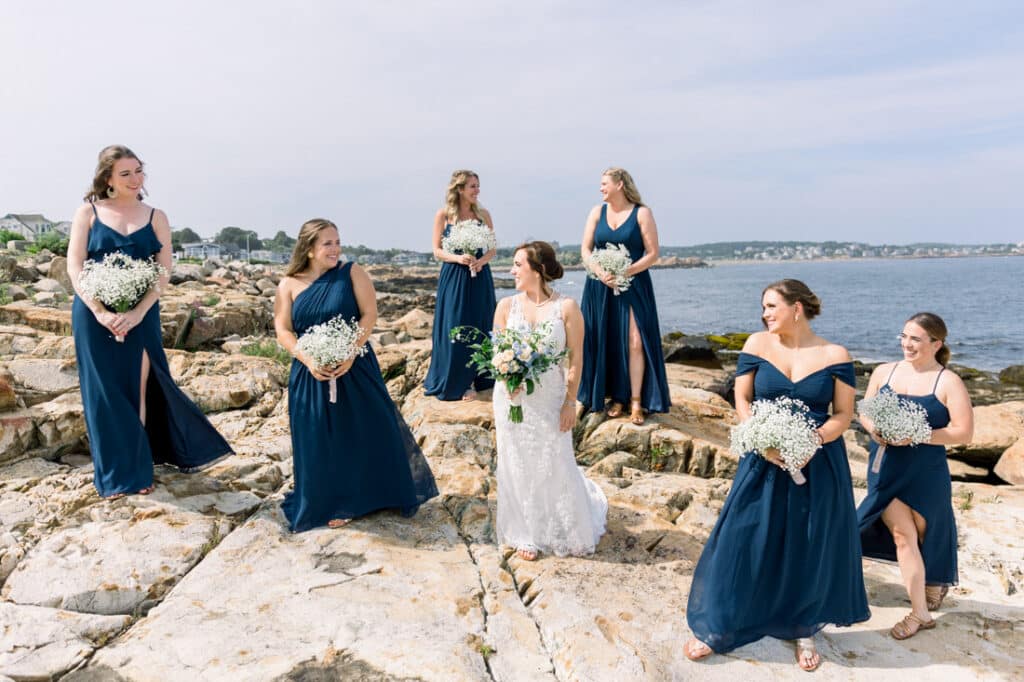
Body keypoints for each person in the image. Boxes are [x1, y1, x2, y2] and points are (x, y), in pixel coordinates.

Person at [684, 279, 869, 672]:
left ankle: (803, 628)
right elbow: (742, 398)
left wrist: (811, 441)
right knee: (743, 534)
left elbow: (843, 415)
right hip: (761, 457)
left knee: (808, 540)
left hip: (818, 462)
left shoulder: (835, 354)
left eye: (771, 306)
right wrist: (761, 439)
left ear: (796, 307)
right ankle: (719, 624)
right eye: (763, 307)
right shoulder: (757, 344)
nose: (764, 313)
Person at [67, 145, 233, 498]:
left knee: (139, 387)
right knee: (103, 394)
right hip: (93, 315)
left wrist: (138, 312)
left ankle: (137, 470)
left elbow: (164, 270)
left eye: (139, 171)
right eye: (125, 173)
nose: (135, 179)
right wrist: (100, 311)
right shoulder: (88, 213)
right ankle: (113, 476)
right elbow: (74, 265)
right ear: (108, 179)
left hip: (142, 315)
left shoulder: (156, 216)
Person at [273, 218, 438, 532]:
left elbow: (369, 314)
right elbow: (283, 329)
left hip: (355, 367)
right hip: (310, 372)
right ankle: (328, 499)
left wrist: (350, 351)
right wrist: (308, 359)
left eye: (337, 242)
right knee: (317, 435)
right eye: (327, 243)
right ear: (309, 248)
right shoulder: (288, 285)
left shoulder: (352, 273)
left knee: (364, 430)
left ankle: (360, 498)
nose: (335, 249)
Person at [857, 313, 973, 640]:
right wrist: (875, 430)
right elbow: (864, 410)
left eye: (916, 339)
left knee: (927, 531)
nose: (907, 344)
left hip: (927, 472)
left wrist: (916, 435)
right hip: (886, 468)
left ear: (936, 344)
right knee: (901, 536)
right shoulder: (884, 371)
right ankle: (920, 612)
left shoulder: (948, 382)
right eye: (904, 336)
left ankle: (934, 581)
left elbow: (963, 432)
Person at [492, 241, 607, 561]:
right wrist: (507, 379)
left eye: (518, 265)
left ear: (538, 270)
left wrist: (570, 402)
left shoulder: (566, 308)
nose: (512, 271)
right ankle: (525, 532)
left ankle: (562, 525)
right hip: (512, 398)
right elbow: (498, 354)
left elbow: (576, 358)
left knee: (554, 460)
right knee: (515, 461)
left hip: (550, 399)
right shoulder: (505, 307)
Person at [578, 167, 670, 425]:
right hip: (599, 285)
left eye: (604, 183)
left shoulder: (642, 213)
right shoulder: (596, 212)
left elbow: (653, 253)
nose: (600, 188)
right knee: (606, 339)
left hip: (633, 284)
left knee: (635, 341)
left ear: (619, 184)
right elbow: (585, 250)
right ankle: (618, 397)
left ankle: (637, 400)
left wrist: (625, 271)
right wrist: (600, 271)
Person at [423, 170, 497, 401]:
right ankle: (459, 381)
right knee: (455, 323)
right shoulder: (444, 215)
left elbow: (492, 249)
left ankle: (482, 377)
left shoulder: (483, 215)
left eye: (478, 185)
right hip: (454, 276)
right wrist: (458, 258)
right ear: (460, 189)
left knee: (481, 321)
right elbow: (437, 251)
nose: (477, 190)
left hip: (480, 276)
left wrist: (480, 261)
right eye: (473, 186)